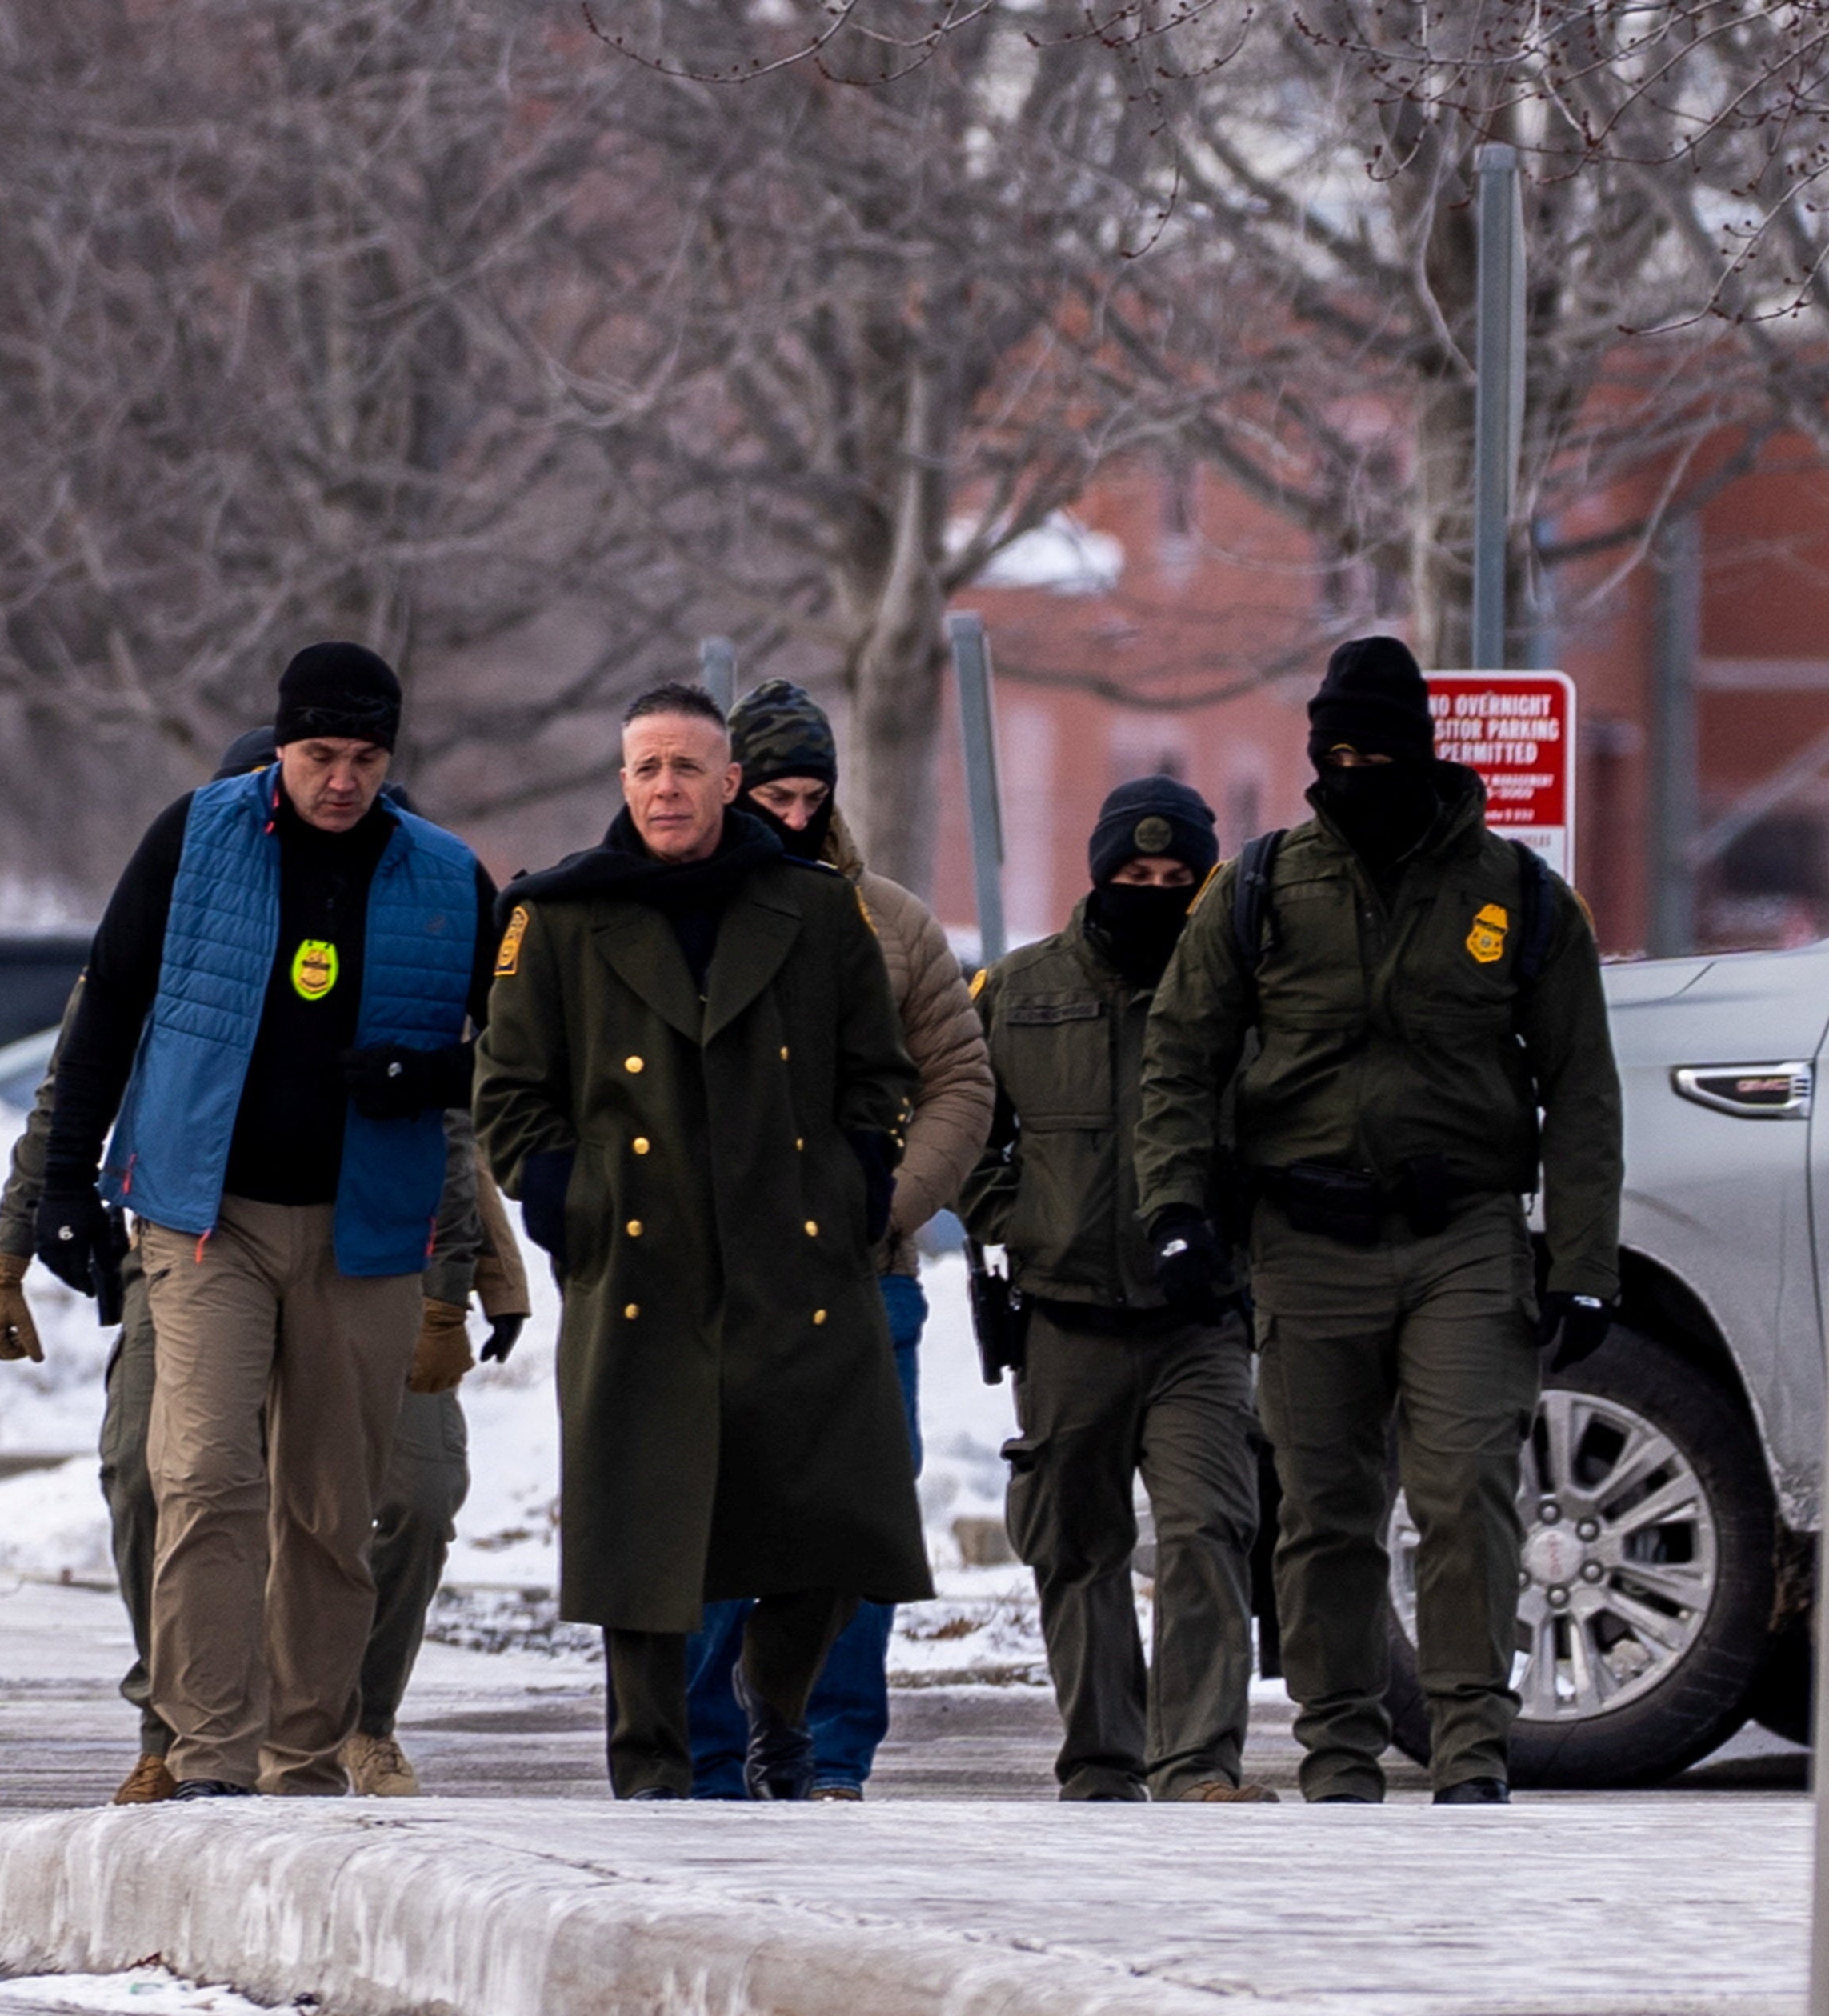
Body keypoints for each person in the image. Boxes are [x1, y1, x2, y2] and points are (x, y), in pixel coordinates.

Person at [0, 730, 528, 1805]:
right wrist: (19, 1240)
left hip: (378, 1245)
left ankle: (350, 1726)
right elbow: (71, 1082)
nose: (335, 788)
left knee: (402, 1492)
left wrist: (466, 1286)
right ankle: (178, 1729)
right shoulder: (193, 898)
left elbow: (464, 1114)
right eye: (310, 764)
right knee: (165, 1474)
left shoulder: (416, 902)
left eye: (360, 765)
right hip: (188, 1230)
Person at [1137, 635, 1622, 1806]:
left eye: (1380, 752)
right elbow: (1181, 1058)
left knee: (1464, 1489)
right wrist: (1178, 1208)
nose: (1358, 772)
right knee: (1325, 1510)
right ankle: (1339, 1748)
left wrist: (1584, 1258)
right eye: (1338, 754)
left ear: (1425, 751)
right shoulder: (1257, 890)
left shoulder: (1517, 896)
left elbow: (1583, 1086)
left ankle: (1468, 1747)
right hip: (1306, 1241)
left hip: (1463, 1235)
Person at [474, 682, 931, 1799]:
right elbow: (508, 1085)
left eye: (689, 768)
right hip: (638, 1261)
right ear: (623, 784)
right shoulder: (559, 916)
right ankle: (653, 1770)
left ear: (731, 783)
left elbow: (877, 1070)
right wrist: (557, 1191)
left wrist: (859, 1182)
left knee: (841, 1513)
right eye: (647, 770)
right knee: (643, 1529)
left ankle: (776, 1699)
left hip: (797, 1257)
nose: (668, 788)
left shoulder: (814, 907)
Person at [677, 679, 994, 1798]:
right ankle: (702, 1748)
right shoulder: (675, 910)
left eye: (815, 795)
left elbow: (961, 1077)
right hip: (716, 1275)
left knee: (860, 1523)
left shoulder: (893, 925)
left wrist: (894, 1204)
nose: (797, 816)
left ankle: (831, 1749)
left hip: (866, 1273)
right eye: (775, 794)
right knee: (709, 1513)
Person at [962, 775, 1273, 1803]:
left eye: (1176, 877)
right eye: (1132, 874)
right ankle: (1100, 1758)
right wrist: (1011, 1215)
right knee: (1074, 1545)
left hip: (1198, 1322)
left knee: (1206, 1531)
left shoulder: (1239, 993)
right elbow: (964, 1124)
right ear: (1098, 875)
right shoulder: (1017, 990)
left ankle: (1196, 1762)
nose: (1152, 889)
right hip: (1064, 1317)